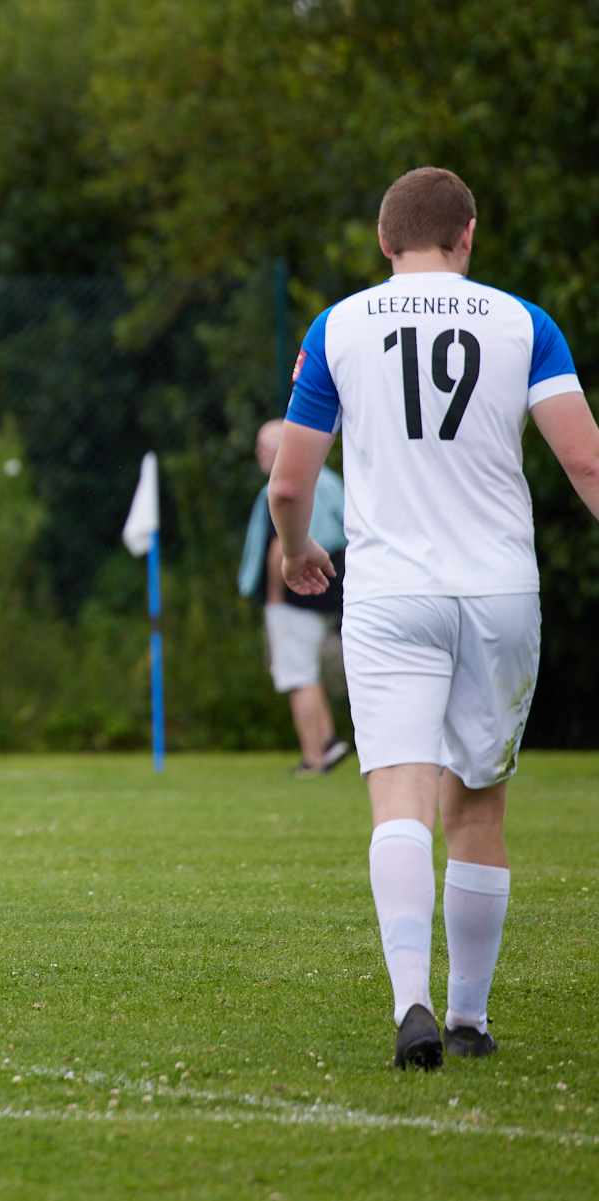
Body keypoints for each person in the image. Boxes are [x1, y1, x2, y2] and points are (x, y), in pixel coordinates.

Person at [269, 168, 599, 1069]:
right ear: (469, 235)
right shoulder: (524, 323)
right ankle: (469, 1018)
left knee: (401, 801)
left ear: (385, 241)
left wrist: (296, 549)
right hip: (499, 590)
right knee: (478, 806)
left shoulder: (338, 326)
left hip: (391, 593)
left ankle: (410, 998)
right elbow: (586, 464)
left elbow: (290, 483)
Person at [238, 418, 351, 775]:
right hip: (333, 591)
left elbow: (280, 547)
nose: (258, 454)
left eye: (262, 447)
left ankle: (313, 758)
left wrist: (275, 597)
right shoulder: (329, 481)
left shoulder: (284, 486)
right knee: (308, 671)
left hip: (298, 594)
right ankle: (328, 741)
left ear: (279, 448)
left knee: (297, 674)